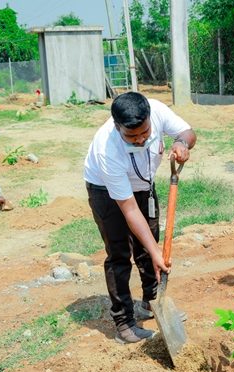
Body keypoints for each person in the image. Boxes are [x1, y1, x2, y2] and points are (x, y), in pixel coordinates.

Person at [84, 92, 196, 344]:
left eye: (144, 133)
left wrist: (182, 143)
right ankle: (124, 323)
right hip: (106, 191)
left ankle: (152, 301)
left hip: (143, 184)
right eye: (131, 136)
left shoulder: (156, 109)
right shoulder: (107, 149)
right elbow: (129, 209)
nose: (140, 139)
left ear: (149, 119)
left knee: (149, 242)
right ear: (117, 127)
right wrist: (158, 253)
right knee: (120, 252)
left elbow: (188, 132)